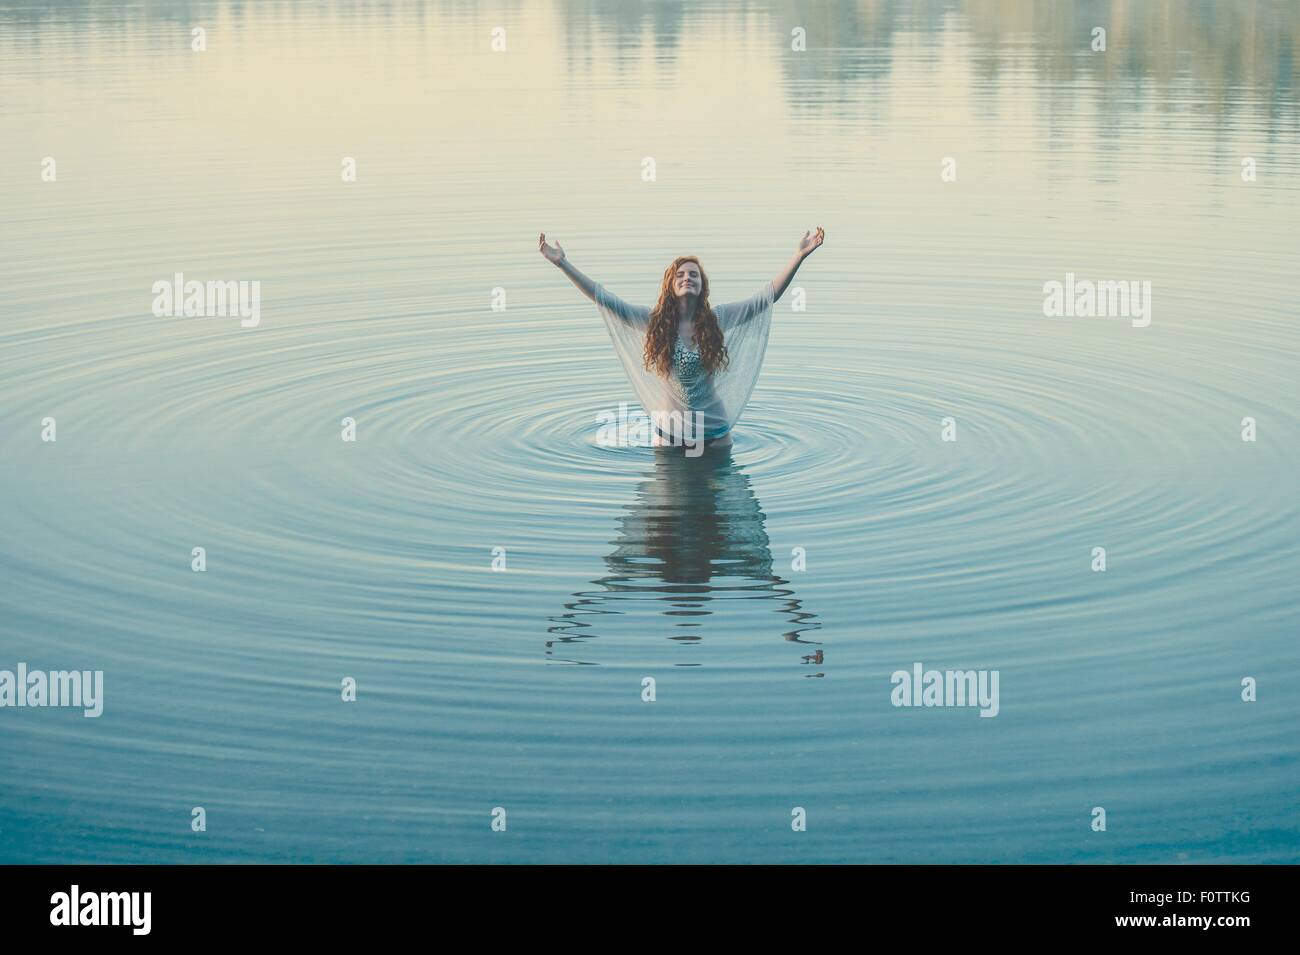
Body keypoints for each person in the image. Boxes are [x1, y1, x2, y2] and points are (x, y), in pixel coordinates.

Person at [539, 228, 824, 449]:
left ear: (702, 286)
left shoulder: (719, 318)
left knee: (714, 521)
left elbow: (767, 297)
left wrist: (799, 256)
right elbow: (603, 298)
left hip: (715, 431)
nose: (687, 277)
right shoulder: (653, 322)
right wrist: (563, 264)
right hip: (670, 433)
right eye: (681, 274)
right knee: (667, 523)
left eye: (694, 275)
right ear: (670, 285)